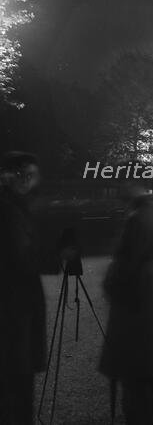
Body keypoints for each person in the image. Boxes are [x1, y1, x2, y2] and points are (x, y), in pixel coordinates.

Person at [99, 183, 153, 425]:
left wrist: (111, 285)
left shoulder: (138, 218)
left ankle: (141, 414)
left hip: (139, 295)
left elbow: (127, 262)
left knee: (135, 362)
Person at [0, 152, 64, 424]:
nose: (30, 182)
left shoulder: (15, 207)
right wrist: (55, 257)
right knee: (17, 388)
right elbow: (21, 258)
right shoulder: (9, 210)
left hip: (15, 311)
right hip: (14, 313)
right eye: (26, 176)